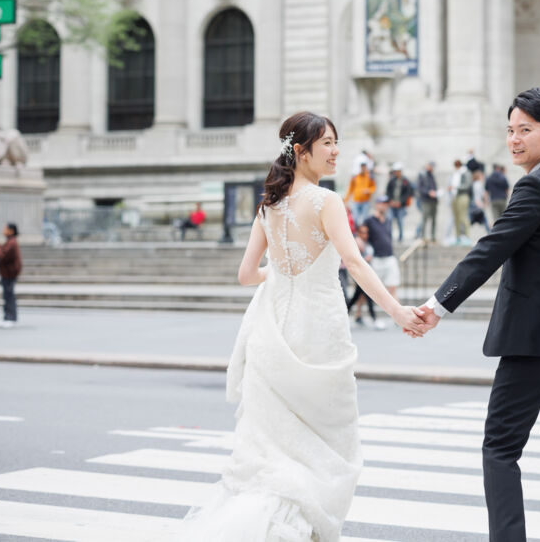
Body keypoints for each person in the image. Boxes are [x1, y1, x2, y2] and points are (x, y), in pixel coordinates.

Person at [181, 112, 426, 541]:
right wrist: (397, 311)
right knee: (325, 440)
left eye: (337, 142)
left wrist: (282, 275)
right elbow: (353, 262)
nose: (335, 151)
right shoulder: (325, 201)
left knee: (274, 445)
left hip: (274, 328)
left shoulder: (269, 206)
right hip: (319, 329)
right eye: (327, 143)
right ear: (301, 151)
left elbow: (246, 274)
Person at [415, 88, 540, 542]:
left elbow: (490, 250)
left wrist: (437, 305)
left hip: (532, 344)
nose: (514, 140)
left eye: (524, 130)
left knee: (499, 449)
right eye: (509, 130)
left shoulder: (536, 185)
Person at [346, 224, 379, 327]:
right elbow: (353, 260)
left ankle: (344, 314)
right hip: (361, 274)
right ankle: (374, 319)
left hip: (366, 273)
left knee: (356, 297)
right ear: (358, 233)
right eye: (363, 232)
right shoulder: (357, 243)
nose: (365, 234)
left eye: (366, 232)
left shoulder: (367, 243)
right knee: (367, 296)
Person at [0, 223, 22, 328]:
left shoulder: (12, 242)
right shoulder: (10, 242)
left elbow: (2, 255)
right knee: (8, 295)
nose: (3, 230)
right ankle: (7, 317)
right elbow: (3, 251)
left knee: (9, 295)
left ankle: (10, 317)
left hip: (9, 273)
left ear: (11, 230)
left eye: (5, 229)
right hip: (7, 273)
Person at [385, 162, 414, 242]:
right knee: (390, 220)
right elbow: (388, 191)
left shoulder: (405, 181)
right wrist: (390, 201)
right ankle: (389, 236)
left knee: (400, 221)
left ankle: (400, 237)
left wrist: (400, 202)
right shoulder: (392, 180)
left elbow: (408, 193)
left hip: (400, 205)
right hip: (392, 204)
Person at [450, 158, 472, 245]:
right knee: (456, 218)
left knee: (463, 217)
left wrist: (456, 187)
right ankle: (458, 237)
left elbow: (467, 185)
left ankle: (467, 236)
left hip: (462, 196)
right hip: (455, 196)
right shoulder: (455, 173)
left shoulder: (466, 173)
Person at [415, 161, 439, 242]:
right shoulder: (422, 175)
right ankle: (423, 236)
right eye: (431, 166)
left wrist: (436, 193)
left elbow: (434, 186)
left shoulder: (431, 175)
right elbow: (419, 188)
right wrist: (428, 192)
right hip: (425, 200)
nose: (432, 168)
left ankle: (432, 236)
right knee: (424, 219)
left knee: (434, 219)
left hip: (433, 200)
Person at [470, 169, 491, 233]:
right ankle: (490, 233)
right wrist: (481, 205)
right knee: (484, 221)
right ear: (479, 176)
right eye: (482, 176)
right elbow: (478, 196)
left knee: (472, 220)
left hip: (474, 204)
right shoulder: (478, 184)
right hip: (477, 205)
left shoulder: (475, 184)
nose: (483, 177)